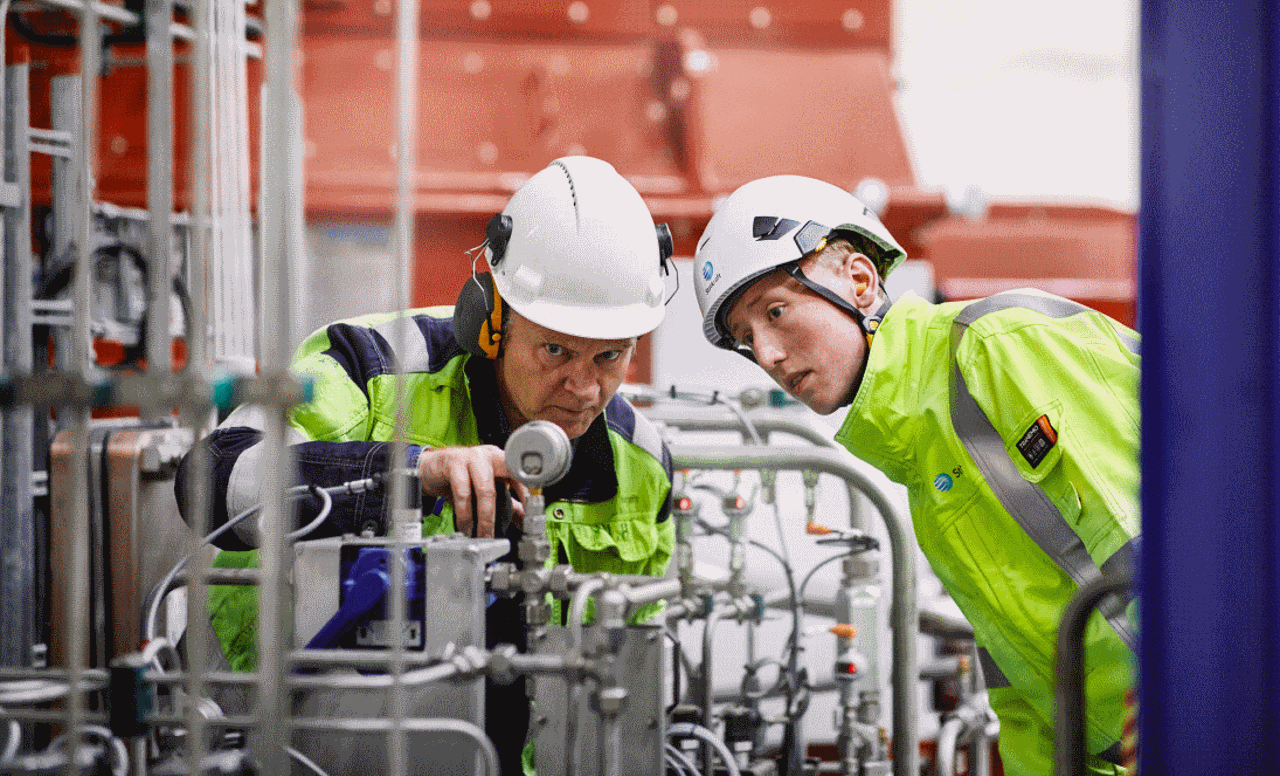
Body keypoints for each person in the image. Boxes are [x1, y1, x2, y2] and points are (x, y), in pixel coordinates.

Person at [175, 156, 677, 776]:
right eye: (554, 349)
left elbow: (631, 684)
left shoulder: (641, 466)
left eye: (610, 355)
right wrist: (412, 473)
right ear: (492, 317)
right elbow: (212, 478)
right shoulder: (371, 366)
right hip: (263, 739)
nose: (583, 387)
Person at [692, 175, 1139, 776]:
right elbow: (1027, 685)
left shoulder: (998, 348)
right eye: (748, 338)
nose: (768, 355)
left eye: (776, 312)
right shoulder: (927, 466)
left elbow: (1162, 570)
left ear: (858, 280)